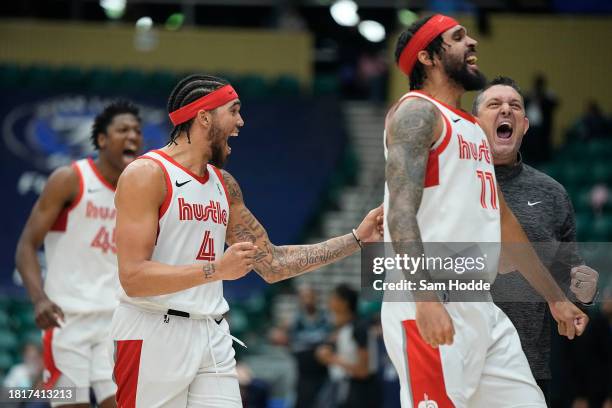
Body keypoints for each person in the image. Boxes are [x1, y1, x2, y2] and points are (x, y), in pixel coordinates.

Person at [110, 74, 384, 408]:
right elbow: (133, 278)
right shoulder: (147, 174)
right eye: (234, 111)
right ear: (204, 117)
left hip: (212, 333)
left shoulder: (224, 184)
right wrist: (215, 270)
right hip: (153, 329)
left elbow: (273, 264)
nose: (240, 122)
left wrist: (357, 237)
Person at [381, 14, 588, 408]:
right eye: (458, 38)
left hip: (481, 306)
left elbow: (504, 222)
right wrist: (424, 298)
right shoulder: (417, 114)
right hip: (430, 296)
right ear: (427, 56)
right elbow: (400, 211)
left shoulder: (473, 129)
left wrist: (554, 298)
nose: (472, 42)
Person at [472, 75, 600, 404]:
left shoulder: (552, 193)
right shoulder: (450, 183)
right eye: (494, 104)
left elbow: (571, 272)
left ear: (525, 125)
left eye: (515, 106)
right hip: (458, 355)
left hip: (527, 363)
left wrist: (584, 288)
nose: (506, 110)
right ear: (474, 123)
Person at [14, 100, 143, 408]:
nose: (133, 137)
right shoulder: (70, 179)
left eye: (137, 131)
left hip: (116, 319)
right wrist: (39, 299)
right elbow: (26, 245)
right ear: (101, 139)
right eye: (123, 130)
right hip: (67, 319)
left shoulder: (139, 190)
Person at [315, 284, 378, 408]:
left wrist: (332, 359)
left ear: (344, 303)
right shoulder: (337, 328)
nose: (329, 303)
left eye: (333, 299)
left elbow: (363, 371)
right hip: (339, 388)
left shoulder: (359, 328)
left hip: (359, 393)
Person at [289, 284, 330, 408]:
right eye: (304, 297)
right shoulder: (297, 319)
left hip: (322, 368)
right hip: (304, 369)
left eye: (310, 297)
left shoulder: (325, 316)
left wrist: (309, 339)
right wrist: (316, 339)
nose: (307, 300)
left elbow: (327, 336)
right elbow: (295, 341)